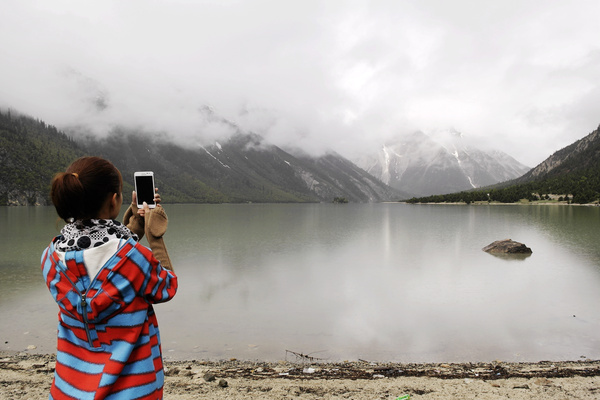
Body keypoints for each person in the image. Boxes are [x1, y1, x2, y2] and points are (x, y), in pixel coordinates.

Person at [40, 156, 178, 400]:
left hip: (68, 389)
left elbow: (105, 255)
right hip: (133, 391)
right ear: (114, 201)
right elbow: (166, 286)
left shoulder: (49, 258)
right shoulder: (135, 259)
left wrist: (134, 225)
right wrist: (154, 234)